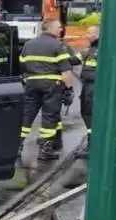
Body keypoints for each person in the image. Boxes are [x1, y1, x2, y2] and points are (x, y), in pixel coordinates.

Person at [11, 19, 76, 186]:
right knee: (49, 117)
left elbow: (22, 64)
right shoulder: (57, 46)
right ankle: (45, 149)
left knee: (27, 116)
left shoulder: (29, 44)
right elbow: (66, 71)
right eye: (59, 27)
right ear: (52, 28)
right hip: (51, 86)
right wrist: (69, 89)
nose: (61, 29)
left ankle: (17, 146)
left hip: (31, 84)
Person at [76, 25, 99, 158]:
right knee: (85, 113)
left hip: (94, 86)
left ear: (97, 34)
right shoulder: (88, 50)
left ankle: (92, 146)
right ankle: (92, 143)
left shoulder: (100, 49)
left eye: (89, 33)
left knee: (89, 114)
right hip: (87, 86)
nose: (86, 35)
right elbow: (74, 60)